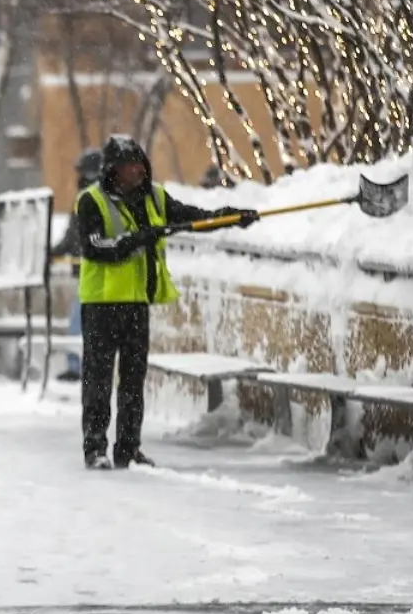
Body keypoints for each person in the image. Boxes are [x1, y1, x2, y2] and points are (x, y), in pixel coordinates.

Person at [76, 134, 258, 470]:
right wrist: (132, 240)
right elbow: (94, 248)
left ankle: (128, 449)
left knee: (133, 381)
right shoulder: (92, 201)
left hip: (136, 306)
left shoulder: (155, 198)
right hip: (101, 306)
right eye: (131, 165)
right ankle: (95, 448)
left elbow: (192, 217)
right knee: (98, 381)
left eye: (141, 164)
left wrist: (229, 217)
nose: (139, 171)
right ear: (114, 169)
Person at [49, 147, 103, 380]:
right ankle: (79, 365)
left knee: (82, 321)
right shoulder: (83, 200)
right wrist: (53, 252)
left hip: (97, 273)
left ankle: (81, 367)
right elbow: (72, 237)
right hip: (85, 272)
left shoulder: (98, 200)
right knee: (80, 320)